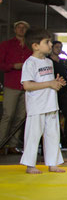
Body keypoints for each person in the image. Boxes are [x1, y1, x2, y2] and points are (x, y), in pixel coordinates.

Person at [19, 28, 66, 174]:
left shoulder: (49, 62)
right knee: (33, 135)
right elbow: (27, 85)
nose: (51, 44)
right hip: (36, 106)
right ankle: (30, 165)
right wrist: (49, 84)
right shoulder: (30, 63)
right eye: (47, 42)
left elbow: (47, 82)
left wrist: (56, 83)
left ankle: (53, 163)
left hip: (50, 103)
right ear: (35, 45)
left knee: (53, 135)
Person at [0, 20, 32, 153]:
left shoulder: (31, 46)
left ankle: (12, 145)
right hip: (11, 84)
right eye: (19, 27)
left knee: (21, 117)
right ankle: (1, 143)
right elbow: (1, 64)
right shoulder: (6, 45)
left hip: (27, 86)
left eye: (24, 27)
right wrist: (13, 66)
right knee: (8, 115)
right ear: (14, 29)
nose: (21, 29)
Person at [49, 41, 67, 155]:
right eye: (56, 47)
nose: (58, 49)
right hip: (52, 91)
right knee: (52, 116)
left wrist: (66, 54)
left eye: (60, 47)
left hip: (65, 92)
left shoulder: (64, 61)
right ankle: (51, 142)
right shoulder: (48, 61)